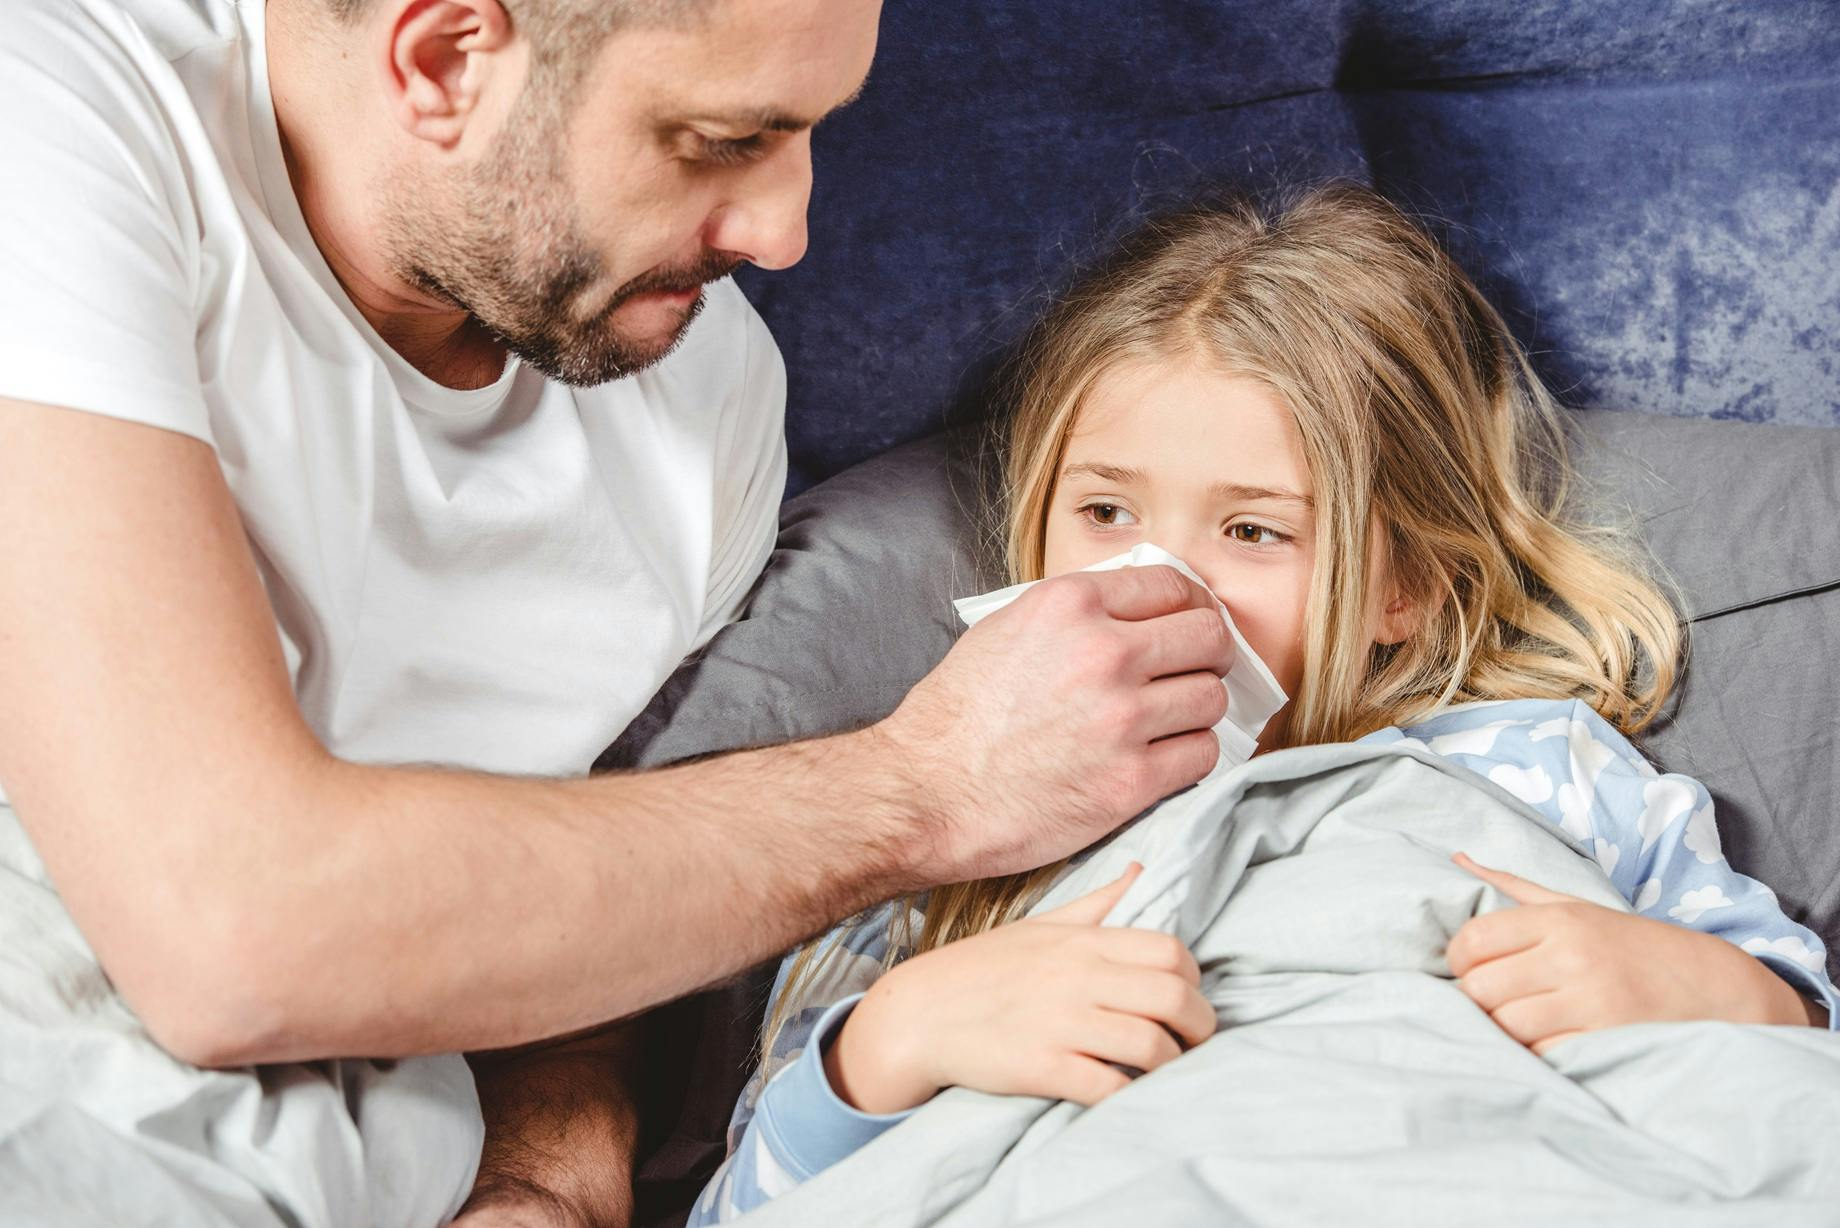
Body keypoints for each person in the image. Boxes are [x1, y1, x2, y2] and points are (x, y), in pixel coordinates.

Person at [0, 0, 1245, 1223]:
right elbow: (231, 933)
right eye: (721, 141)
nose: (784, 232)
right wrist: (925, 786)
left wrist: (549, 1171)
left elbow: (615, 885)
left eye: (812, 132)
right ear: (442, 59)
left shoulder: (704, 393)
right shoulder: (61, 119)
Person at [688, 184, 1840, 1224]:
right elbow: (747, 1200)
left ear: (1403, 585)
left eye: (1251, 531)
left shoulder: (1540, 764)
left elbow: (1792, 1051)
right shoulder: (946, 829)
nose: (1152, 578)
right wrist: (897, 1037)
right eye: (1102, 513)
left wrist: (1705, 987)